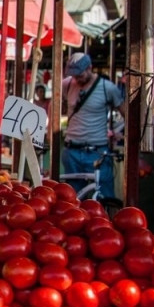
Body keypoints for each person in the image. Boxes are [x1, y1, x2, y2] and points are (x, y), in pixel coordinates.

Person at [61, 52, 126, 200]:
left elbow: (125, 112)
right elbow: (55, 104)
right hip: (72, 151)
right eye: (74, 75)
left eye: (80, 74)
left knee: (103, 197)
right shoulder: (68, 84)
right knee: (72, 199)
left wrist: (118, 132)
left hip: (97, 153)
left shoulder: (107, 88)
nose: (77, 78)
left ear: (90, 68)